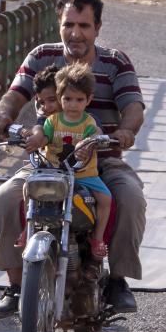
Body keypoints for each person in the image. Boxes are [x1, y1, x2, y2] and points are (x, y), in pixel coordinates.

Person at [0, 0, 146, 320]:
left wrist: (126, 131)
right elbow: (15, 94)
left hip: (101, 161)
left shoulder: (116, 63)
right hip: (47, 162)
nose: (75, 33)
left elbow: (133, 105)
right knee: (4, 199)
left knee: (130, 198)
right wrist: (3, 116)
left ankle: (117, 281)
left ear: (97, 28)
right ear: (59, 24)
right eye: (68, 24)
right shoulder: (42, 56)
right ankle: (16, 287)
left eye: (84, 26)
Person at [20, 63, 111, 260]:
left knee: (106, 198)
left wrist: (89, 142)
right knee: (28, 188)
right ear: (61, 98)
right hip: (53, 172)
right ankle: (26, 230)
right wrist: (36, 141)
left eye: (79, 100)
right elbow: (45, 137)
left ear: (88, 100)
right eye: (67, 99)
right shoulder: (52, 121)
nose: (73, 104)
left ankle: (97, 237)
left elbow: (96, 134)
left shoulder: (88, 122)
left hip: (83, 174)